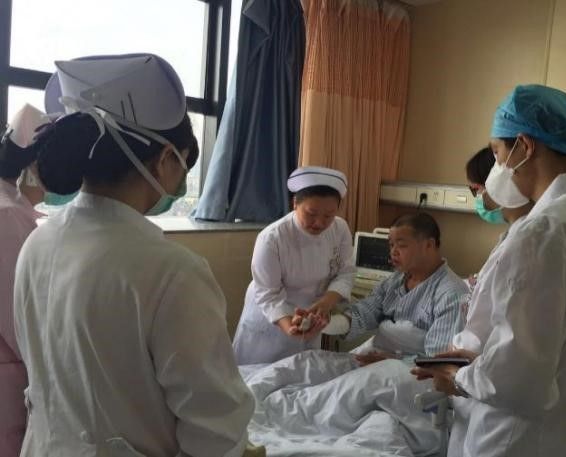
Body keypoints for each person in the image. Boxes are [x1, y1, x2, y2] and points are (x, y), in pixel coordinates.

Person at [13, 54, 254, 457]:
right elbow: (216, 431)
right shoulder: (171, 272)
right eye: (183, 163)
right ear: (165, 160)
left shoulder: (38, 241)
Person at [413, 84, 566, 457]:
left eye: (497, 153)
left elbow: (516, 379)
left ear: (525, 147)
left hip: (528, 440)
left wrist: (456, 377)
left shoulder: (544, 231)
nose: (497, 167)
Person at [307, 212, 469, 364]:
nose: (393, 252)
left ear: (429, 245)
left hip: (412, 372)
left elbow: (438, 362)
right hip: (378, 355)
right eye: (391, 245)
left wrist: (394, 359)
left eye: (401, 245)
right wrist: (326, 323)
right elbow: (365, 312)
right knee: (307, 363)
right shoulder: (395, 281)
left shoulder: (451, 294)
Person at [232, 166, 355, 365]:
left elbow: (345, 273)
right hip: (271, 321)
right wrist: (289, 325)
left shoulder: (340, 229)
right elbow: (268, 294)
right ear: (295, 203)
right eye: (311, 213)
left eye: (328, 215)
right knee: (255, 377)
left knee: (300, 374)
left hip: (309, 317)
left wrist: (325, 304)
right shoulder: (272, 238)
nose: (319, 223)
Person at [0, 104, 53, 457]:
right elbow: (17, 318)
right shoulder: (7, 217)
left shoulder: (13, 209)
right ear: (33, 167)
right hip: (9, 381)